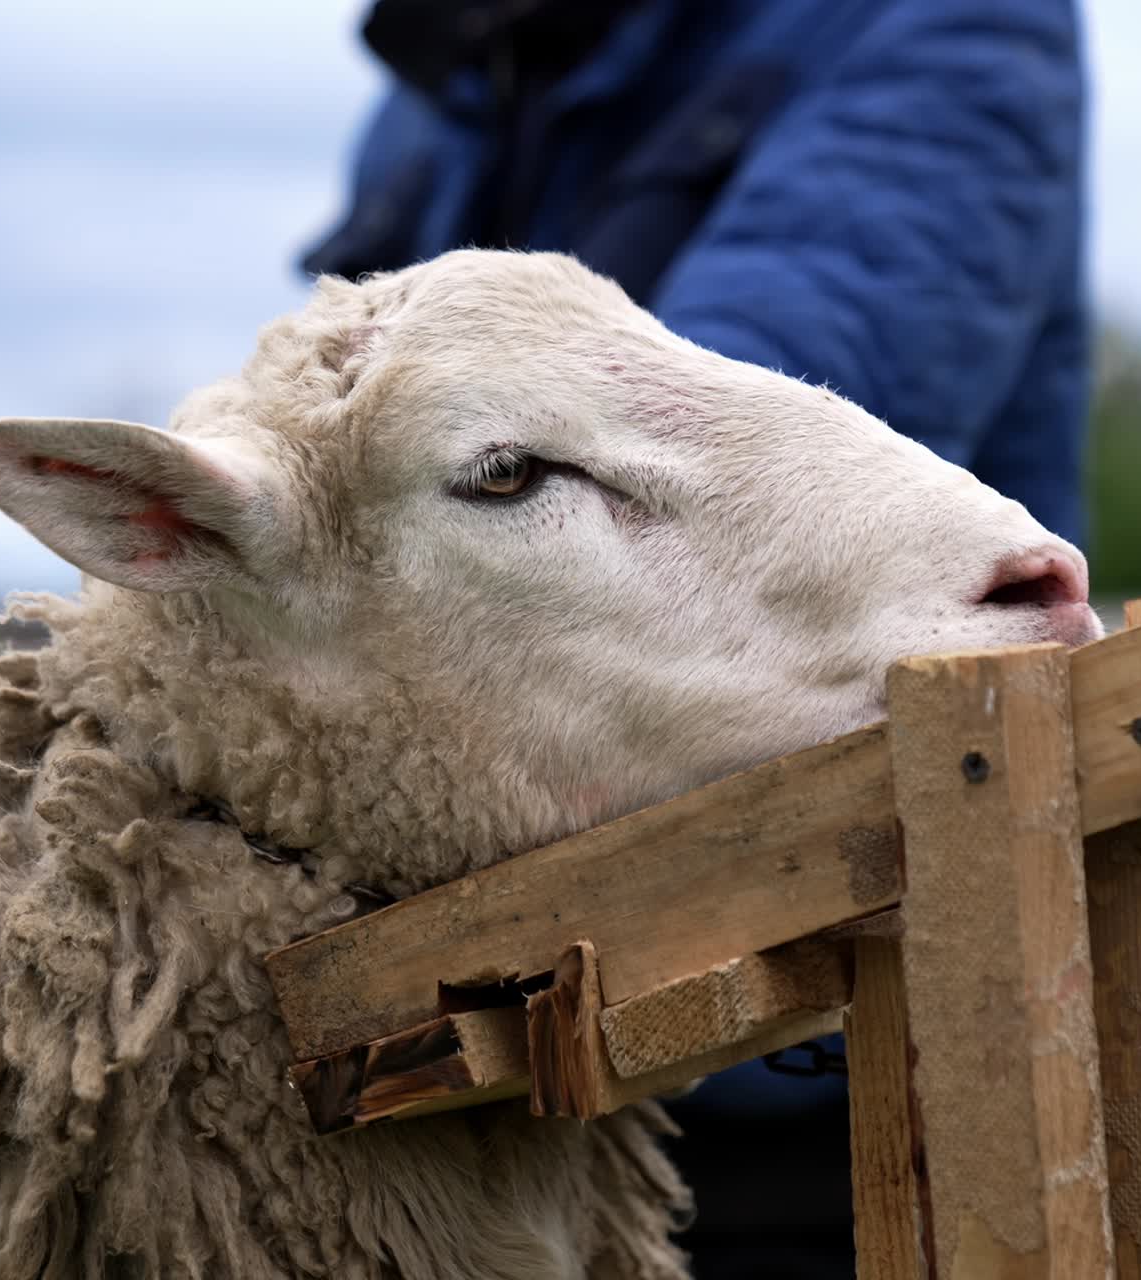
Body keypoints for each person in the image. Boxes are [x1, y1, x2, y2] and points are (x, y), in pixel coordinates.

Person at [299, 1, 1089, 1273]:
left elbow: (797, 353)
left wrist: (496, 460)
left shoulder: (932, 25)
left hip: (832, 1044)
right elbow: (347, 444)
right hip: (482, 1044)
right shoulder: (445, 75)